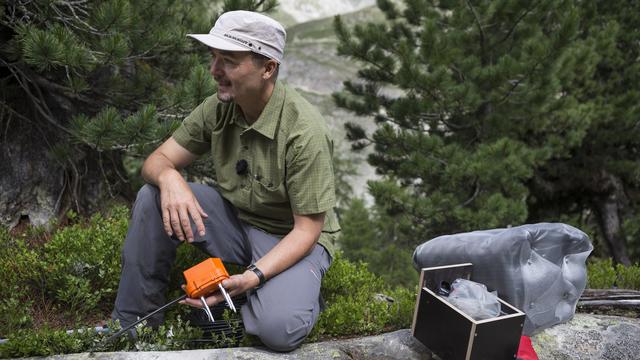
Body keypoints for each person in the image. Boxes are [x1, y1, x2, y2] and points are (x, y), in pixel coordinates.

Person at [111, 10, 340, 352]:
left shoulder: (303, 131)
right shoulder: (216, 108)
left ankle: (282, 298)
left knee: (279, 331)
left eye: (229, 61)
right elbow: (156, 161)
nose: (215, 70)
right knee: (153, 195)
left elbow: (307, 230)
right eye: (213, 57)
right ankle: (134, 326)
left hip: (291, 236)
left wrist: (252, 278)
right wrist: (170, 177)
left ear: (267, 68)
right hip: (237, 223)